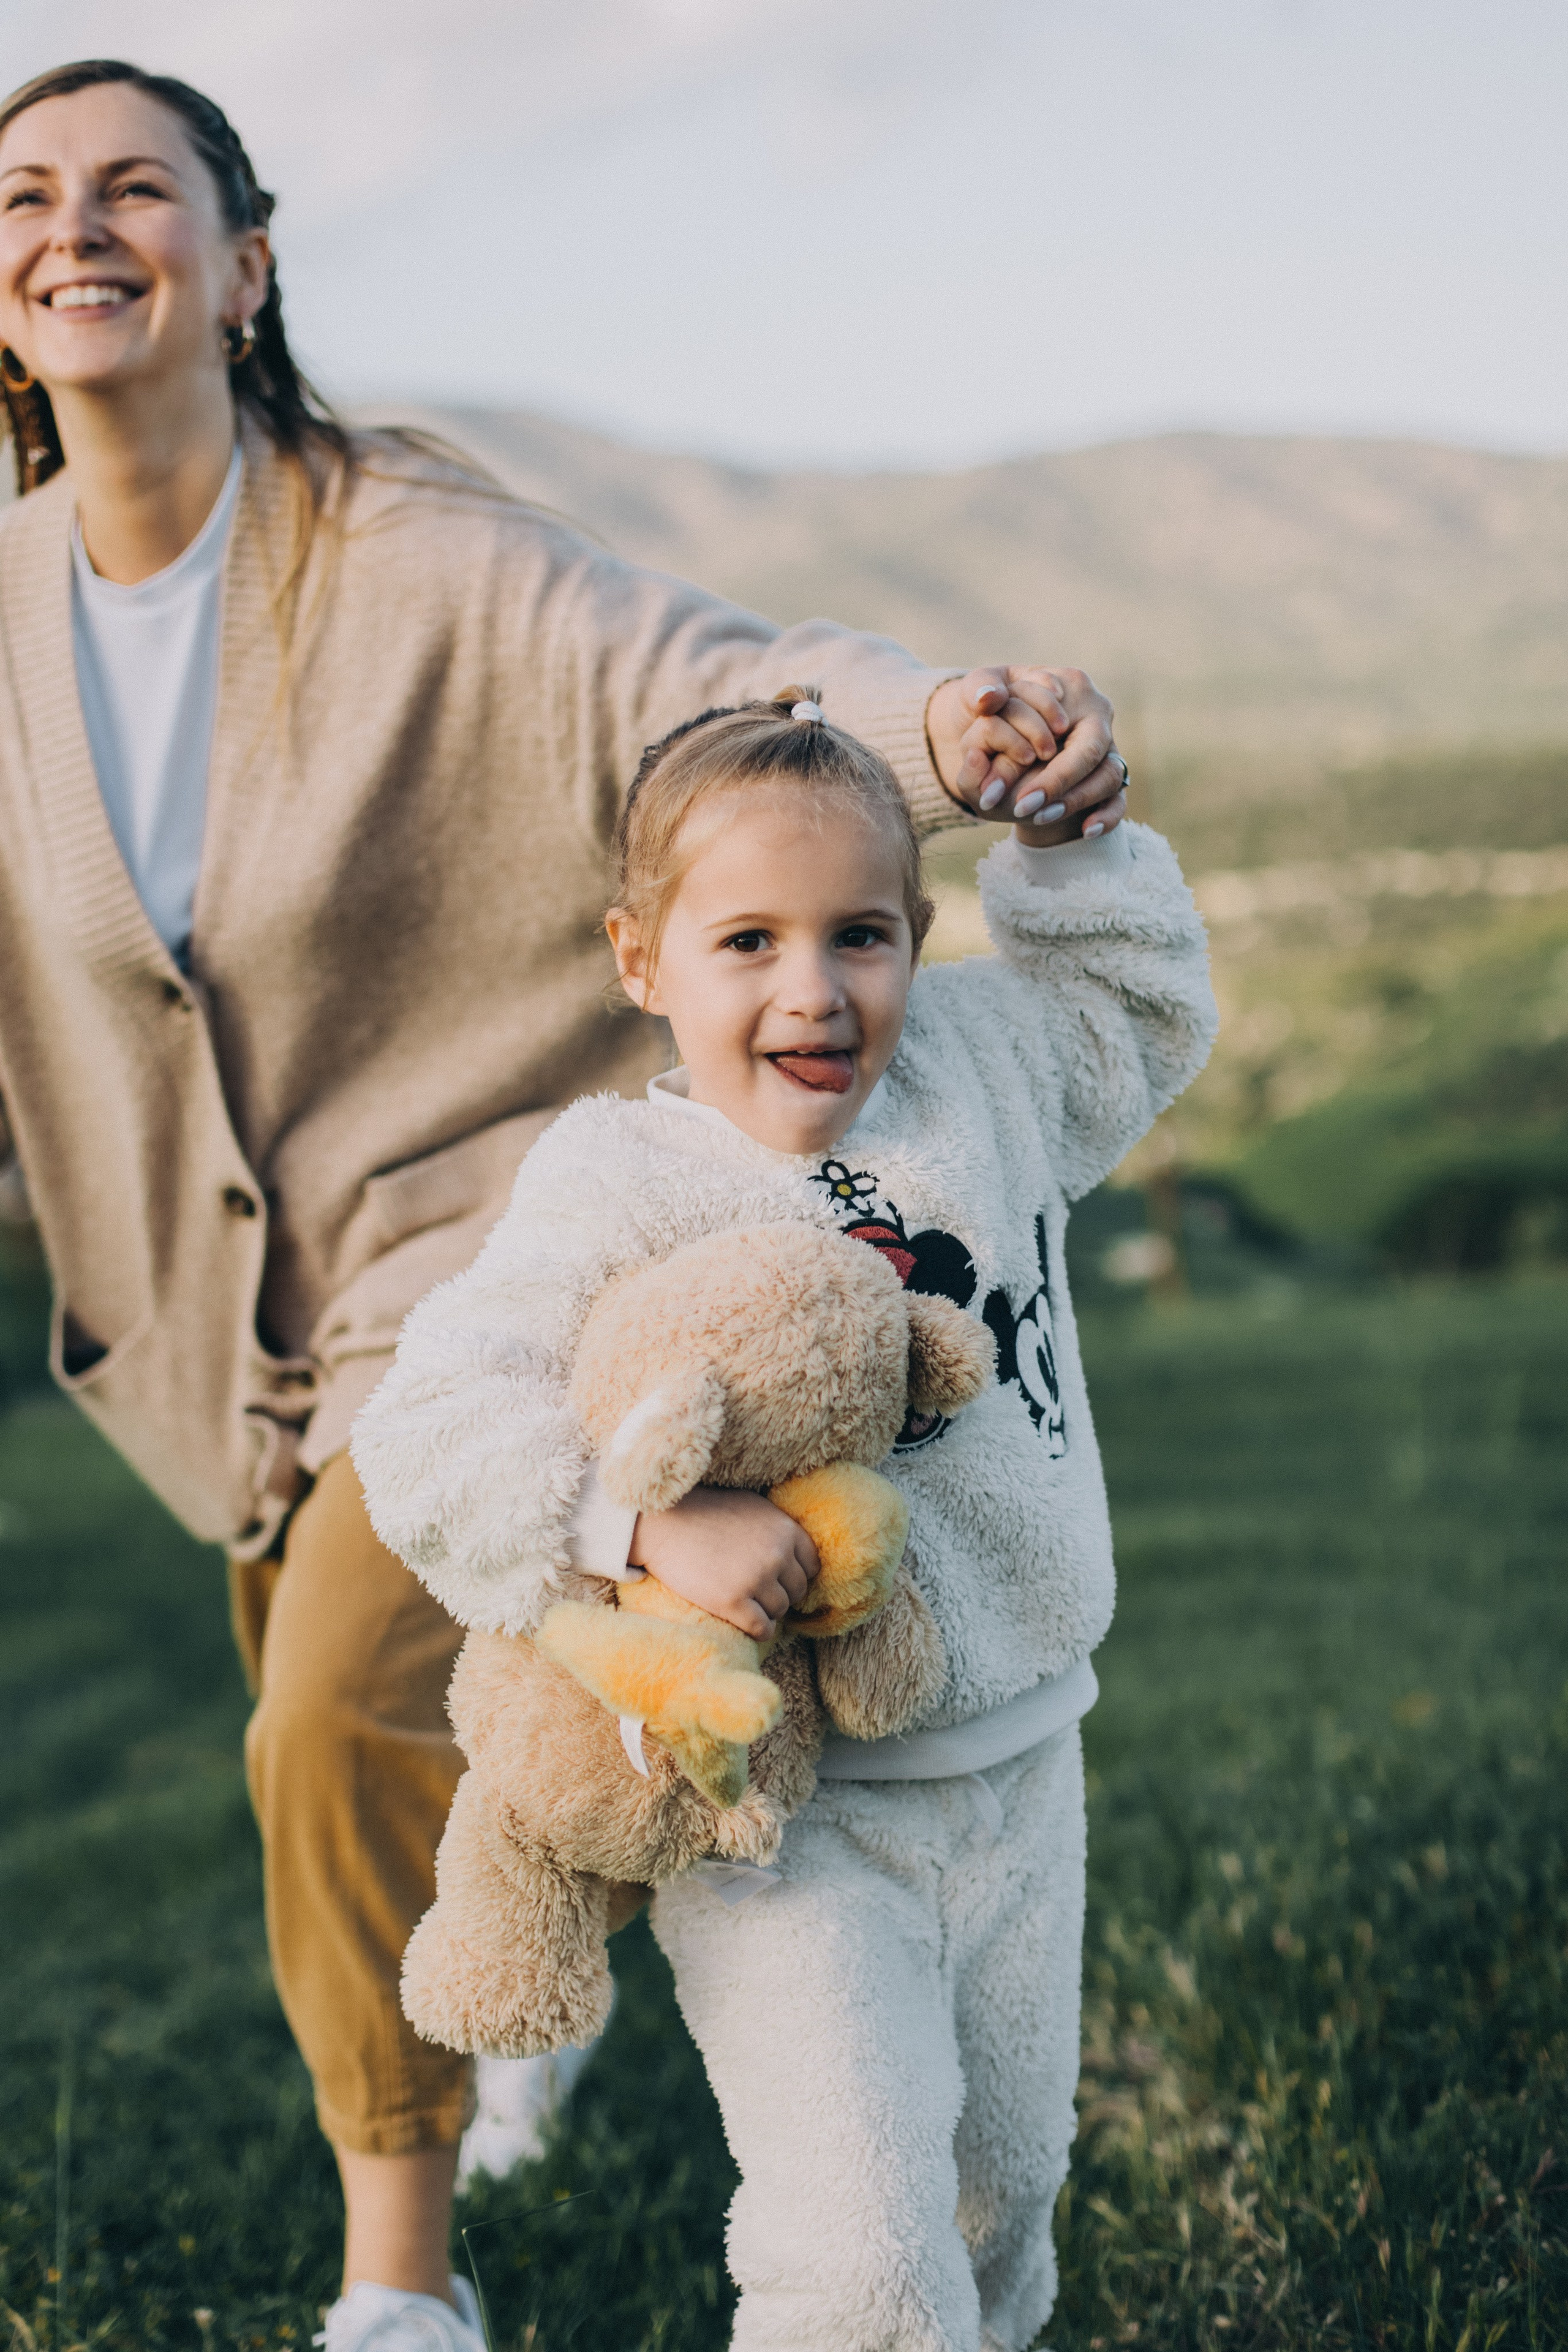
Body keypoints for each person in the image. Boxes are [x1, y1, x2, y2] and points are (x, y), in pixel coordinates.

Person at [0, 55, 1131, 2352]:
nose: (74, 227)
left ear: (249, 259)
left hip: (484, 1251)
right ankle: (582, 1859)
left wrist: (948, 734)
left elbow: (712, 682)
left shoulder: (399, 545)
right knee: (414, 1735)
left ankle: (399, 2293)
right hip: (220, 1315)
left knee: (327, 1719)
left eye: (136, 187)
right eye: (25, 195)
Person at [353, 691, 1216, 2352]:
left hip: (1027, 1764)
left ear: (919, 936)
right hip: (783, 1807)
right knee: (863, 2268)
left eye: (863, 935)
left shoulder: (979, 1069)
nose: (814, 989)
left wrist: (1072, 841)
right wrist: (640, 1525)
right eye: (745, 939)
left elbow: (1137, 1012)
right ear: (639, 960)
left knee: (997, 2204)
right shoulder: (617, 1178)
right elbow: (430, 1426)